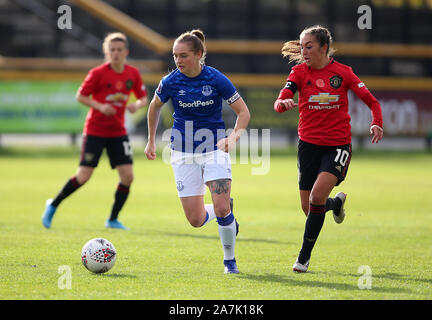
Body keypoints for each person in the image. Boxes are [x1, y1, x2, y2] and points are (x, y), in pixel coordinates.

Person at [274, 25, 383, 273]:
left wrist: (377, 122)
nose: (304, 52)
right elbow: (281, 100)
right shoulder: (299, 72)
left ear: (324, 47)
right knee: (309, 207)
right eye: (301, 47)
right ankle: (337, 204)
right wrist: (283, 103)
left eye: (309, 46)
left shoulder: (343, 73)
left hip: (337, 146)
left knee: (315, 198)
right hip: (308, 146)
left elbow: (371, 101)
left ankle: (303, 258)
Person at [144, 29, 250, 274]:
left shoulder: (216, 79)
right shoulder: (170, 81)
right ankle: (224, 208)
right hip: (182, 152)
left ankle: (229, 262)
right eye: (175, 56)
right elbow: (154, 107)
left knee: (222, 208)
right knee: (195, 220)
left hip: (214, 149)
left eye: (183, 56)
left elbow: (243, 113)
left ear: (199, 54)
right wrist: (151, 140)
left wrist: (233, 137)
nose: (178, 61)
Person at [42, 32, 148, 230]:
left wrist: (137, 105)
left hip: (118, 131)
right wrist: (100, 106)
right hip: (95, 131)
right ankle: (53, 205)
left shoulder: (132, 73)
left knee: (128, 176)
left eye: (119, 50)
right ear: (106, 52)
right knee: (84, 176)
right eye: (112, 50)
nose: (116, 53)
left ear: (126, 52)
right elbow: (81, 96)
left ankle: (113, 219)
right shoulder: (98, 73)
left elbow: (143, 97)